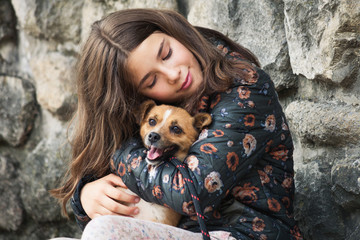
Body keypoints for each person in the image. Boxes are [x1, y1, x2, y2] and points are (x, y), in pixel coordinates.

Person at [51, 8, 303, 240]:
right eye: (151, 81)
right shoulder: (158, 108)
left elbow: (191, 191)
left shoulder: (246, 88)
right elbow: (98, 186)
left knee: (104, 231)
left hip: (243, 234)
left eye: (167, 54)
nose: (174, 74)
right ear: (140, 97)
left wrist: (118, 153)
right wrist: (85, 196)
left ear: (173, 32)